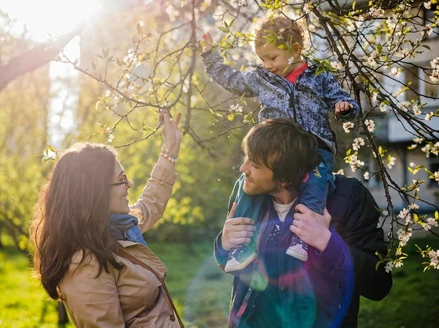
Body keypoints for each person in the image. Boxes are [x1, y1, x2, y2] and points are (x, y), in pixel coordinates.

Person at [201, 15, 359, 272]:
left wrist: (345, 108)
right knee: (248, 185)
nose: (267, 65)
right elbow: (231, 79)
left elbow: (340, 99)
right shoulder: (262, 78)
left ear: (295, 50)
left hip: (314, 147)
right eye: (262, 59)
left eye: (272, 58)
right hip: (274, 148)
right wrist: (210, 56)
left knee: (317, 184)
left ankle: (302, 237)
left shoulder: (318, 75)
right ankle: (243, 245)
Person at [215, 119, 392, 328]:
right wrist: (223, 245)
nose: (243, 168)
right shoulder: (249, 197)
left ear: (285, 179)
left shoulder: (348, 197)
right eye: (246, 158)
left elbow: (379, 284)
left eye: (254, 164)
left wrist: (327, 243)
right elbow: (232, 266)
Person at [31, 110, 185, 327]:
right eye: (121, 180)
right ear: (95, 192)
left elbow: (150, 205)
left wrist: (170, 150)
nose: (129, 185)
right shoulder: (84, 264)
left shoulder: (117, 228)